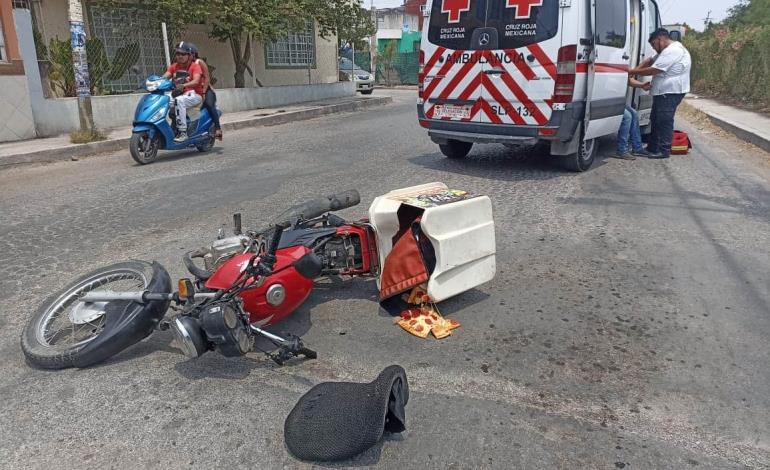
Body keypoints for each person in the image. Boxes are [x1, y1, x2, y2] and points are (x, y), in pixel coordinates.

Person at [629, 28, 692, 159]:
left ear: (661, 39)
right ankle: (653, 147)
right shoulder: (665, 51)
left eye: (654, 45)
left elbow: (654, 69)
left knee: (664, 121)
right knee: (655, 119)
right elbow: (650, 60)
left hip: (671, 92)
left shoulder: (673, 50)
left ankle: (664, 150)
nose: (654, 48)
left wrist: (633, 71)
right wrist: (634, 71)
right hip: (663, 92)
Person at [163, 41, 204, 143]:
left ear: (189, 55)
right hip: (179, 94)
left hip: (195, 95)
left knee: (179, 101)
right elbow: (165, 76)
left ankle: (183, 132)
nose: (180, 56)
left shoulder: (195, 66)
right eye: (178, 54)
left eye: (183, 54)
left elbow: (196, 81)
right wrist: (155, 82)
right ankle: (166, 128)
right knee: (163, 100)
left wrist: (184, 85)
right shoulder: (174, 66)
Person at [189, 44, 223, 140]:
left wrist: (203, 92)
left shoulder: (199, 62)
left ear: (193, 54)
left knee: (209, 104)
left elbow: (207, 78)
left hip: (206, 90)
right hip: (192, 92)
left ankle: (218, 128)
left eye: (187, 53)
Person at [614, 77, 652, 160]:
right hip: (607, 97)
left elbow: (629, 79)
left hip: (616, 98)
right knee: (627, 117)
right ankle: (621, 150)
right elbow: (630, 75)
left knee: (634, 113)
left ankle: (637, 148)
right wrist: (645, 65)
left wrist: (642, 85)